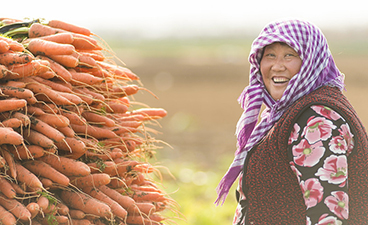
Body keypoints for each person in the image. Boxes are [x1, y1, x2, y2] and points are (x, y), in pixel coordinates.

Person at [215, 19, 368, 224]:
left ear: (311, 61)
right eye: (270, 55)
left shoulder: (316, 120)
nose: (277, 66)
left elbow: (327, 216)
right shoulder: (287, 114)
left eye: (289, 55)